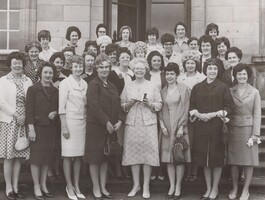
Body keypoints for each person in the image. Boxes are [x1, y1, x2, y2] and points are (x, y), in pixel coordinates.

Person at [189, 58, 234, 200]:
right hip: (201, 127)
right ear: (205, 69)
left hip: (217, 127)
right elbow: (192, 106)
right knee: (204, 159)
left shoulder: (223, 87)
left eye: (215, 68)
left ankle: (215, 189)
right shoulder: (197, 87)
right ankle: (208, 188)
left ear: (218, 70)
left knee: (216, 159)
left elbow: (229, 107)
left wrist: (214, 114)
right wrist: (199, 115)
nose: (212, 71)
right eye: (210, 68)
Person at [121, 58, 162, 199]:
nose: (139, 71)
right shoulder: (128, 86)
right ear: (133, 70)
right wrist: (130, 103)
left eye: (142, 69)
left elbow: (159, 104)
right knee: (134, 154)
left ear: (146, 70)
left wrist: (149, 104)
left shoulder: (152, 86)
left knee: (147, 154)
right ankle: (136, 184)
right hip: (132, 123)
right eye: (137, 69)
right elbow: (122, 105)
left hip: (148, 123)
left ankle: (146, 186)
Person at [84, 55, 124, 200]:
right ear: (96, 68)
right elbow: (94, 106)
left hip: (111, 128)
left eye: (106, 67)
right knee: (95, 159)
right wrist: (106, 122)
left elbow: (118, 104)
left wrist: (119, 120)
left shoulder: (112, 85)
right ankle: (96, 188)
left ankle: (103, 187)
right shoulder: (94, 84)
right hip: (97, 127)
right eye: (101, 67)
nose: (104, 69)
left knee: (105, 158)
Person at [0, 52, 32, 200]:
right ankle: (8, 187)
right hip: (10, 121)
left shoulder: (27, 80)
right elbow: (1, 102)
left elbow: (30, 101)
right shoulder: (4, 80)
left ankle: (16, 185)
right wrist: (15, 115)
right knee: (9, 156)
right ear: (10, 64)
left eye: (20, 63)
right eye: (15, 63)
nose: (18, 65)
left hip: (24, 121)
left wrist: (25, 117)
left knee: (19, 156)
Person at [227, 64, 261, 200]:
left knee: (248, 161)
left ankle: (245, 190)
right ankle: (234, 188)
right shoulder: (230, 91)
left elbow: (257, 114)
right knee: (234, 161)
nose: (241, 76)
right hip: (233, 128)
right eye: (239, 74)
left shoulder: (254, 92)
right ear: (235, 76)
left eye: (244, 74)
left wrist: (255, 134)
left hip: (248, 130)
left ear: (248, 76)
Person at [159, 62, 191, 199]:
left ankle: (178, 186)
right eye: (167, 74)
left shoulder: (184, 90)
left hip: (179, 126)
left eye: (172, 73)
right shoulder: (163, 91)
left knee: (178, 157)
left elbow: (187, 108)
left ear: (177, 74)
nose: (170, 76)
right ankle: (171, 185)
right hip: (166, 126)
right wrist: (162, 125)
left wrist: (182, 126)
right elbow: (159, 109)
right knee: (168, 158)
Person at [26, 62, 58, 200]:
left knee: (46, 158)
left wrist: (56, 112)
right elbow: (29, 111)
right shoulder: (33, 89)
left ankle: (44, 185)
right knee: (36, 159)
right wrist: (31, 128)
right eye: (45, 72)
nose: (48, 75)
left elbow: (58, 106)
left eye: (50, 73)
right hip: (37, 128)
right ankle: (36, 186)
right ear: (40, 73)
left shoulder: (55, 90)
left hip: (50, 128)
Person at [59, 55, 87, 200]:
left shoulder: (85, 83)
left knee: (78, 156)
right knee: (68, 156)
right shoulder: (65, 83)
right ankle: (69, 186)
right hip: (69, 123)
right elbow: (61, 107)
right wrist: (64, 126)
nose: (78, 69)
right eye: (75, 66)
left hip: (82, 124)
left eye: (80, 66)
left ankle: (76, 185)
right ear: (71, 67)